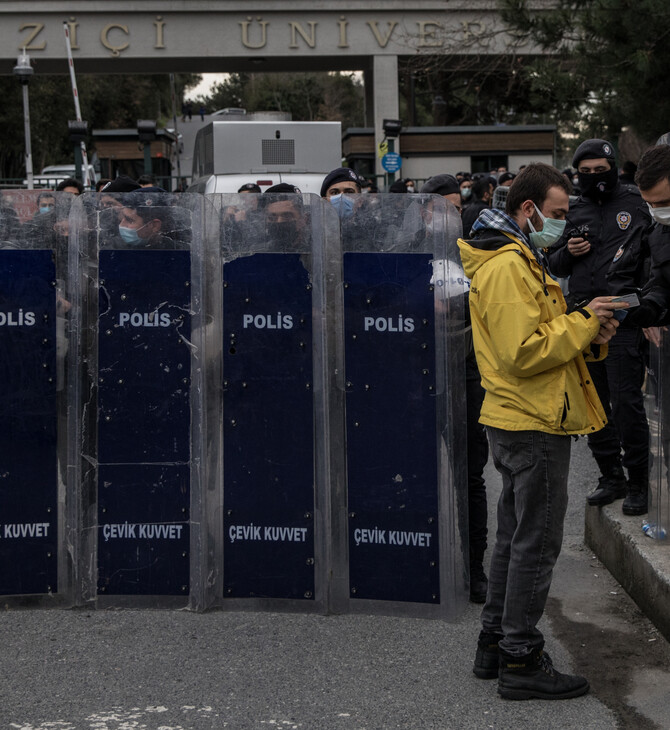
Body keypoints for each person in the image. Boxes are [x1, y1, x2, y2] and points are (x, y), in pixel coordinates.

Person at [458, 162, 627, 699]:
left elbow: (536, 335)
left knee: (515, 538)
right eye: (555, 215)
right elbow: (524, 350)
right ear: (527, 210)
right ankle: (522, 659)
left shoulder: (512, 255)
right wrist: (584, 321)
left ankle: (495, 644)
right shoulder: (509, 263)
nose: (561, 225)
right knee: (535, 541)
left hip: (520, 416)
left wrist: (588, 329)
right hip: (532, 419)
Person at [547, 138, 653, 515]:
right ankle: (611, 476)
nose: (594, 178)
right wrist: (567, 252)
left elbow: (650, 258)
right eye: (585, 172)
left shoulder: (635, 204)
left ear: (612, 167)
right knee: (593, 403)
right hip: (582, 319)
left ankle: (639, 480)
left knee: (626, 402)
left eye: (600, 170)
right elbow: (553, 263)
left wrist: (650, 312)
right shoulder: (573, 209)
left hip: (623, 316)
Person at [422, 173, 489, 602]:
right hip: (416, 375)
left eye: (454, 205)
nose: (449, 214)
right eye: (438, 206)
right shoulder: (401, 248)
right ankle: (418, 562)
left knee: (469, 475)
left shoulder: (475, 251)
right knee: (415, 472)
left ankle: (473, 569)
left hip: (466, 370)